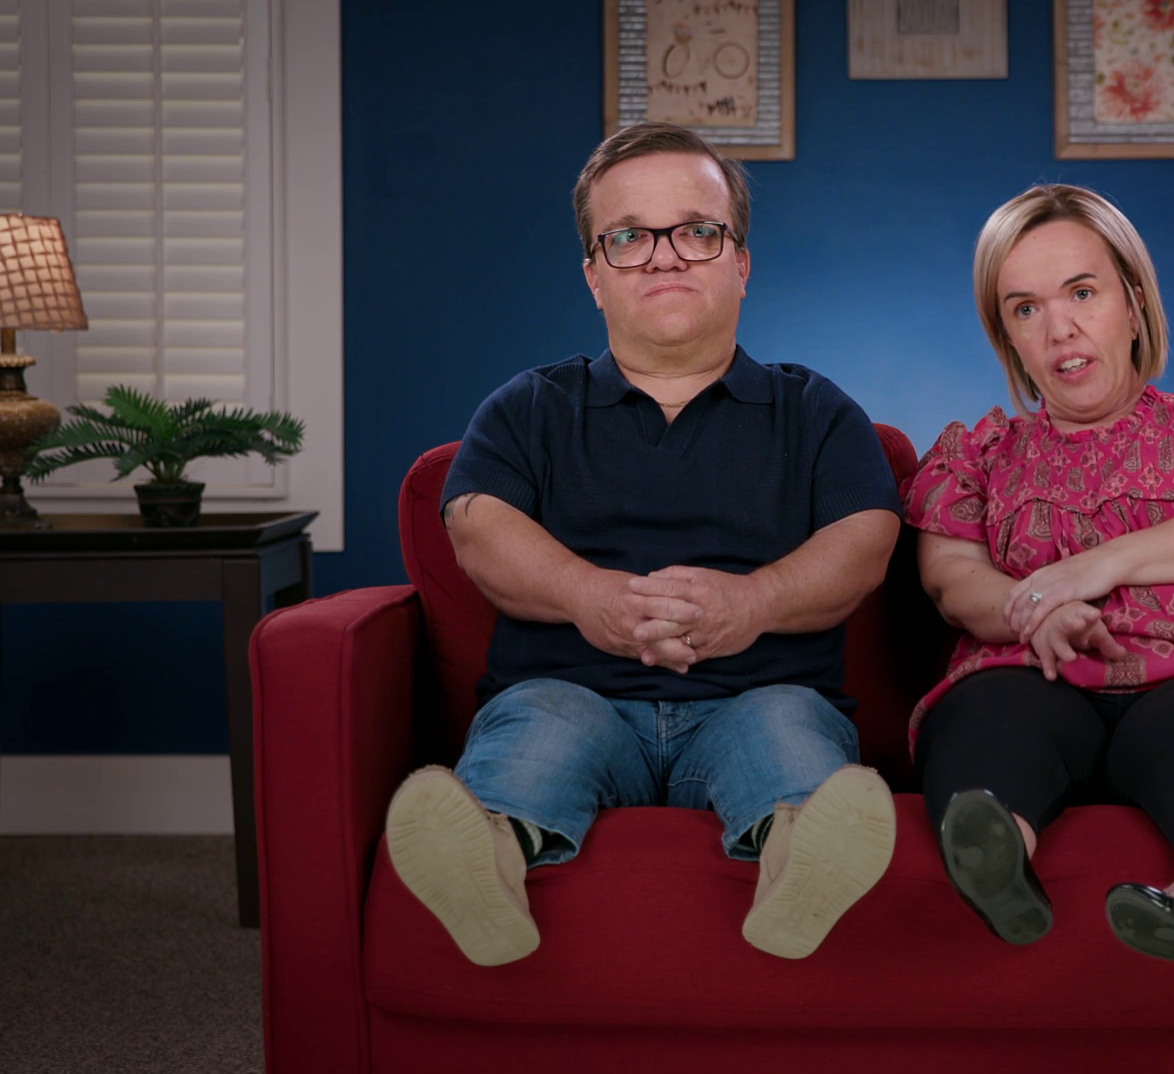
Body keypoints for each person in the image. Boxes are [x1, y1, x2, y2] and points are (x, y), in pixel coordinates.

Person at [382, 123, 904, 966]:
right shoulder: (527, 407)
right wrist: (590, 597)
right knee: (537, 731)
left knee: (786, 732)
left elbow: (866, 539)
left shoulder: (816, 411)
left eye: (696, 230)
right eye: (628, 238)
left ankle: (801, 865)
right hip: (571, 694)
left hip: (760, 694)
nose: (664, 258)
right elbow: (478, 525)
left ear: (741, 262)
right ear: (594, 275)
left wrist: (753, 603)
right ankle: (486, 863)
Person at [900, 185, 1174, 987]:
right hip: (1039, 672)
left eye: (1082, 292)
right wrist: (1032, 611)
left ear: (1134, 304)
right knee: (988, 711)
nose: (1059, 328)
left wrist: (1090, 567)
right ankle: (999, 860)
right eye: (1025, 309)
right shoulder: (978, 455)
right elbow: (950, 578)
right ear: (1008, 337)